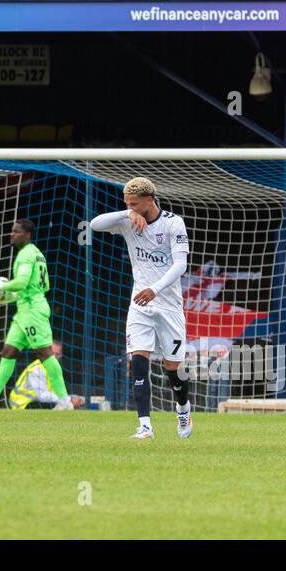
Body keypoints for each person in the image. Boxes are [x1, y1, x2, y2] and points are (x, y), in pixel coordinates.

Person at [90, 177, 192, 441]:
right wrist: (127, 212)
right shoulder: (128, 219)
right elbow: (94, 224)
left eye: (135, 203)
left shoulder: (173, 223)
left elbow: (180, 265)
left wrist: (155, 289)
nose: (131, 208)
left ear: (150, 199)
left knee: (173, 368)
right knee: (137, 362)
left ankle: (183, 408)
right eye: (127, 204)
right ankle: (145, 426)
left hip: (168, 304)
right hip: (139, 304)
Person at [0, 219, 71, 410]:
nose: (12, 234)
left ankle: (65, 401)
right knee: (8, 352)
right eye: (12, 231)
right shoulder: (38, 254)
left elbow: (23, 281)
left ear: (27, 234)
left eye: (16, 232)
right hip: (24, 310)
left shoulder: (25, 255)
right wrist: (16, 295)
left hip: (32, 311)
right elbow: (45, 285)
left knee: (45, 353)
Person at [7, 341, 85, 409]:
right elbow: (42, 396)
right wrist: (69, 400)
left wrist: (79, 399)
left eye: (57, 355)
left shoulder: (55, 370)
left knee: (65, 404)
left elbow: (57, 394)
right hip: (21, 405)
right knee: (65, 405)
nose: (54, 358)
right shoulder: (37, 369)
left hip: (36, 402)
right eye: (52, 354)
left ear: (61, 356)